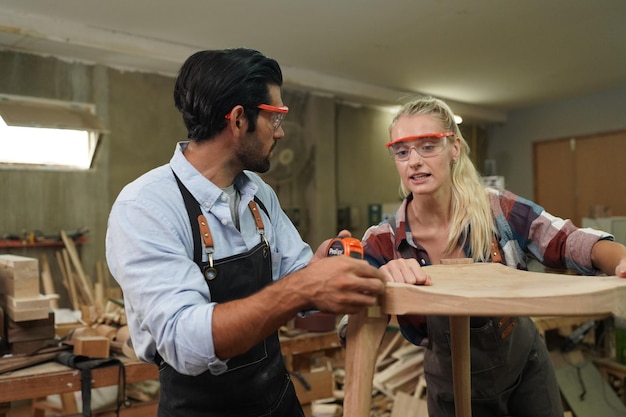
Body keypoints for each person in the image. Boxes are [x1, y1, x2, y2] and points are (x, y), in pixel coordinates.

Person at [105, 48, 386, 417]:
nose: (281, 132)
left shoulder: (256, 192)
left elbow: (297, 275)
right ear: (239, 120)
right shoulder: (146, 206)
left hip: (277, 400)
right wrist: (305, 287)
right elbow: (185, 342)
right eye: (275, 118)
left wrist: (320, 269)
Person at [360, 95, 626, 417]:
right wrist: (379, 280)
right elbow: (352, 319)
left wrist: (620, 258)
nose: (414, 160)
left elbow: (567, 240)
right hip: (451, 386)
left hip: (525, 367)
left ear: (454, 148)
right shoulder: (383, 242)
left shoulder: (497, 210)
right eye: (402, 152)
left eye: (428, 146)